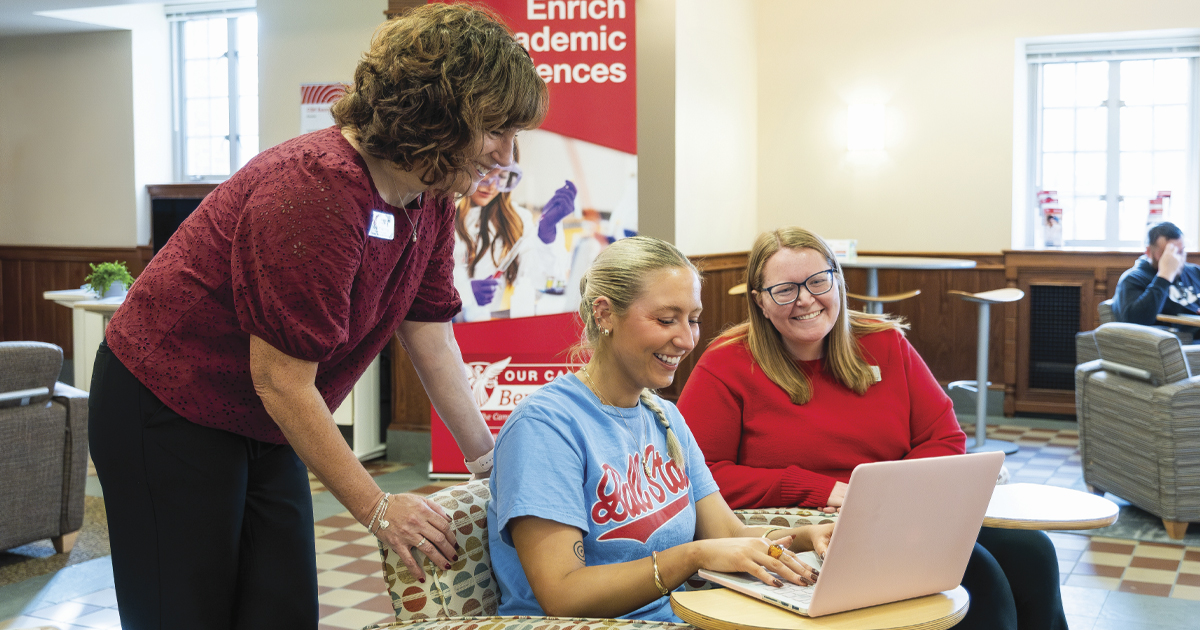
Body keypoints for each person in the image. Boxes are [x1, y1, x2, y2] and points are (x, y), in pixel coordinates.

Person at [87, 5, 546, 629]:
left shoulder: (428, 194)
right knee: (185, 611)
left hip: (266, 413)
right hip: (166, 404)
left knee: (281, 607)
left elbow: (430, 336)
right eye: (496, 129)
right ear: (440, 113)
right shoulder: (314, 189)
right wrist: (380, 508)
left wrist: (493, 466)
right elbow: (279, 378)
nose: (506, 153)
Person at [677, 227, 1067, 630]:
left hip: (903, 514)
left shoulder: (884, 342)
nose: (806, 299)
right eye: (785, 290)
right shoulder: (727, 363)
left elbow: (944, 437)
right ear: (760, 302)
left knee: (1033, 552)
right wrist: (817, 488)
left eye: (817, 281)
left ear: (838, 280)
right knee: (981, 580)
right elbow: (699, 474)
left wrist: (891, 493)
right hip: (814, 528)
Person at [488, 236, 834, 622]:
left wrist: (809, 536)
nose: (686, 340)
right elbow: (563, 595)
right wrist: (693, 555)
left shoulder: (664, 415)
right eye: (666, 320)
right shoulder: (544, 427)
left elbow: (726, 531)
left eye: (694, 319)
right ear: (603, 314)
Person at [452, 159, 574, 321]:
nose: (491, 186)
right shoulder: (445, 214)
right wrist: (464, 292)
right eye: (485, 172)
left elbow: (543, 282)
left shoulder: (518, 221)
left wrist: (547, 233)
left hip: (485, 328)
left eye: (502, 177)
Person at [1112, 221, 1200, 332]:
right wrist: (1164, 276)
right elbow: (1135, 323)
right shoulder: (1133, 279)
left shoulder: (1195, 272)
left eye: (1181, 252)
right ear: (1149, 252)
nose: (1177, 260)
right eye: (1169, 254)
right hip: (1177, 343)